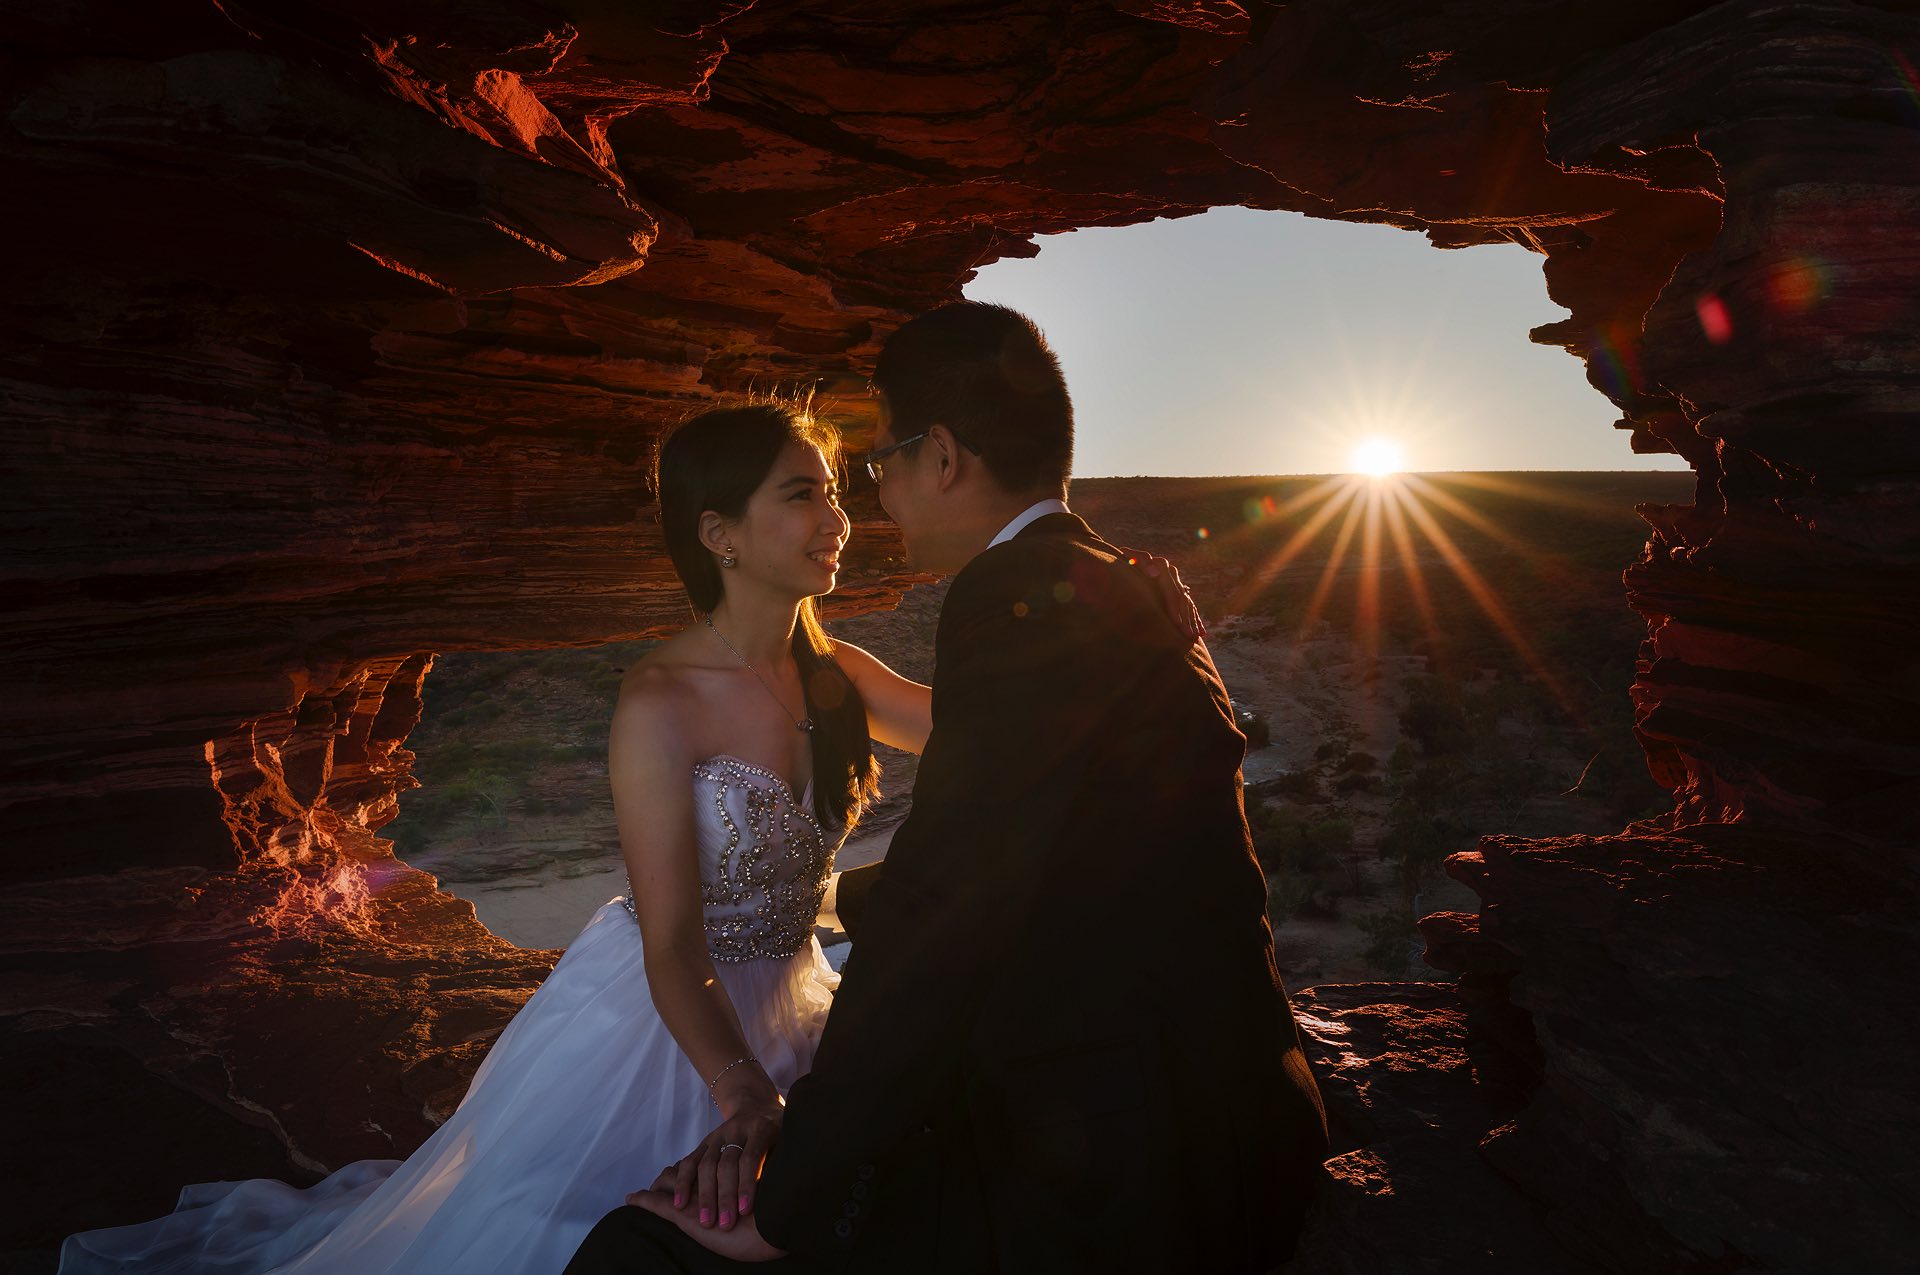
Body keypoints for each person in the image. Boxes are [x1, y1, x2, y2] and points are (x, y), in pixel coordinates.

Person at [57, 402, 939, 1274]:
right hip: (667, 1029)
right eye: (802, 495)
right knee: (564, 1236)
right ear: (720, 532)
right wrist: (743, 1089)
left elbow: (991, 732)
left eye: (835, 494)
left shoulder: (842, 674)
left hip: (799, 994)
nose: (837, 520)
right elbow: (671, 943)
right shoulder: (661, 700)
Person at [567, 302, 1330, 1275]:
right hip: (1226, 1096)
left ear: (944, 459)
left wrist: (792, 1200)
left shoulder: (1011, 603)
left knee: (639, 1253)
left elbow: (947, 910)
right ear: (718, 533)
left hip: (1132, 1147)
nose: (867, 507)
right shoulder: (1118, 579)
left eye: (874, 467)